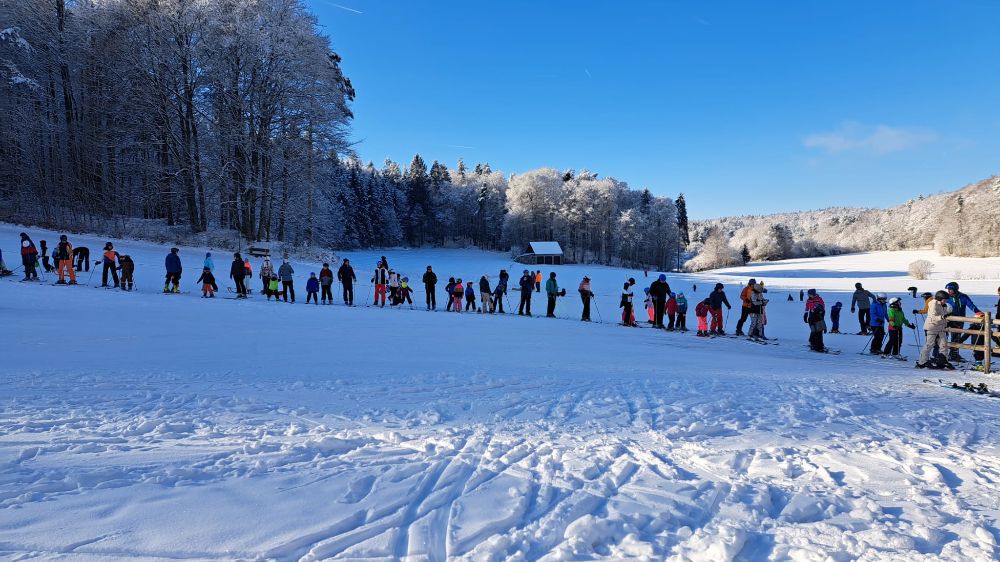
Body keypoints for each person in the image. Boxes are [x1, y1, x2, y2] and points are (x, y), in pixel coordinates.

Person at [944, 281, 980, 363]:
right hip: (947, 319)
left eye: (950, 289)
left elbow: (971, 305)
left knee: (956, 337)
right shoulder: (946, 297)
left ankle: (954, 354)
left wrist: (978, 312)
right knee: (943, 336)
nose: (949, 291)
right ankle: (942, 353)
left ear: (955, 289)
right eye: (948, 289)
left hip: (959, 320)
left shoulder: (963, 297)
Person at [917, 291, 953, 369]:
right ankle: (922, 362)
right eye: (944, 299)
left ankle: (943, 360)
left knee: (944, 344)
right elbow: (933, 317)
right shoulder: (933, 304)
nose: (946, 301)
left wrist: (947, 317)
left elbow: (945, 315)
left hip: (941, 328)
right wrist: (943, 317)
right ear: (940, 298)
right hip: (931, 327)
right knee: (929, 344)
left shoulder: (944, 305)